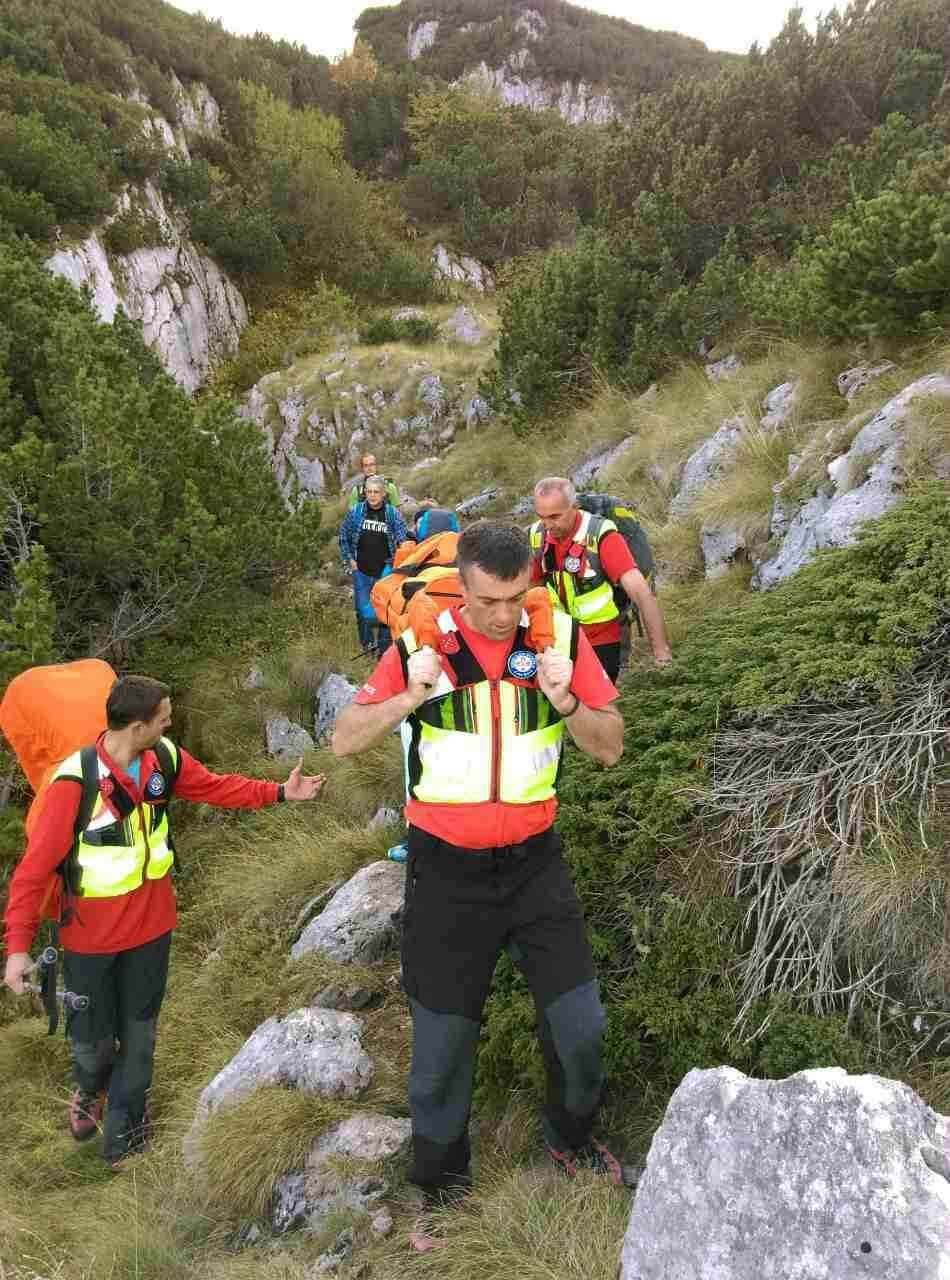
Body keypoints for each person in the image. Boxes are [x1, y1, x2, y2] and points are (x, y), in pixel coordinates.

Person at [331, 521, 625, 1245]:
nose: (505, 615)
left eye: (517, 597)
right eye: (491, 600)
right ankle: (441, 1186)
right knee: (440, 1047)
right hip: (445, 874)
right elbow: (344, 738)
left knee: (581, 1027)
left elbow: (611, 746)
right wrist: (408, 698)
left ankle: (569, 1139)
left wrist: (567, 703)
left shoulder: (556, 644)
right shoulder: (420, 650)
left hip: (534, 866)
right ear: (462, 587)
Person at [2, 675, 326, 1169]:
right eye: (164, 719)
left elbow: (216, 788)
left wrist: (280, 793)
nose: (171, 724)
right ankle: (91, 1090)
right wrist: (19, 950)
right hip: (89, 941)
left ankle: (124, 1146)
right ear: (137, 726)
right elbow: (33, 871)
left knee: (140, 1037)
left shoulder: (165, 760)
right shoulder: (74, 783)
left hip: (152, 931)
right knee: (91, 1041)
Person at [530, 477, 672, 683]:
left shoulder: (601, 536)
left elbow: (642, 595)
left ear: (575, 507)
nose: (547, 525)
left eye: (555, 516)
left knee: (594, 706)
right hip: (558, 640)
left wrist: (661, 654)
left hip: (601, 641)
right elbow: (530, 591)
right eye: (541, 516)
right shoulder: (537, 535)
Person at [339, 475, 409, 655]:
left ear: (384, 493)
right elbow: (343, 536)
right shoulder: (356, 512)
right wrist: (350, 560)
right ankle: (367, 645)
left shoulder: (393, 514)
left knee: (385, 610)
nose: (372, 496)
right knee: (363, 612)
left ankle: (384, 648)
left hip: (385, 571)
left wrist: (399, 565)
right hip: (360, 570)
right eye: (369, 492)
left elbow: (403, 541)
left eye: (376, 492)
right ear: (365, 493)